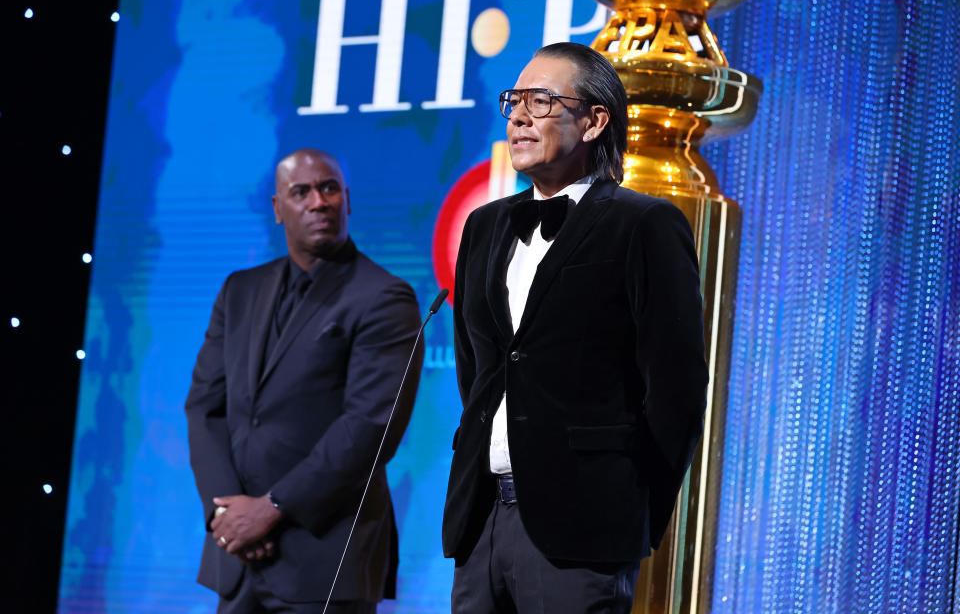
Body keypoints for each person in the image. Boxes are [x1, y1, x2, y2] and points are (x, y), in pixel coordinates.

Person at [442, 42, 709, 613]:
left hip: (582, 533)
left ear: (593, 122)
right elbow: (479, 370)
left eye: (540, 101)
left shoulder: (645, 224)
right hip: (481, 522)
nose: (518, 116)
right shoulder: (485, 226)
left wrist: (626, 515)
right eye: (514, 100)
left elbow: (676, 391)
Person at [185, 148, 423, 614]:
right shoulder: (240, 290)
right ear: (278, 208)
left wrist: (270, 509)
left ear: (347, 200)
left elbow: (370, 428)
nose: (319, 202)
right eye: (302, 192)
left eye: (329, 188)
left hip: (326, 556)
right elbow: (205, 407)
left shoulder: (384, 297)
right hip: (238, 556)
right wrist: (226, 516)